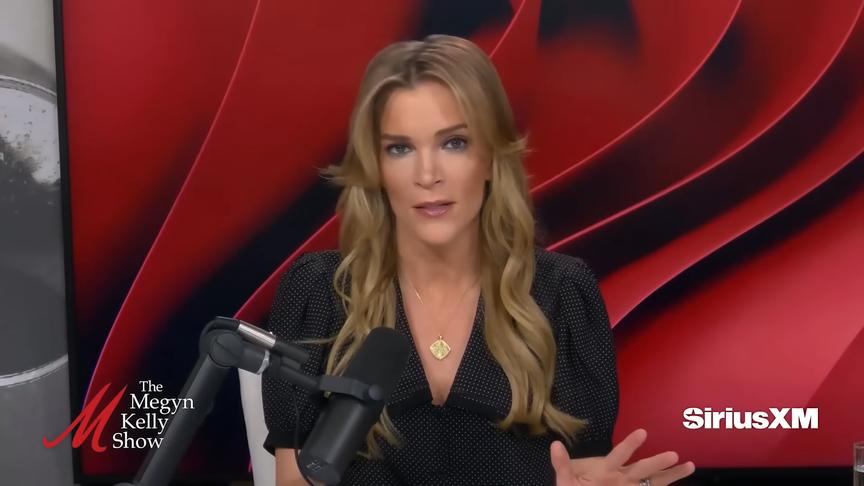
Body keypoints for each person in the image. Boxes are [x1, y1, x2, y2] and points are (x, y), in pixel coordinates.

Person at [261, 34, 695, 486]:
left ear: (490, 156)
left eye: (454, 143)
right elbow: (295, 483)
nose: (428, 175)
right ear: (375, 167)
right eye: (400, 148)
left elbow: (584, 473)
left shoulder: (563, 294)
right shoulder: (320, 293)